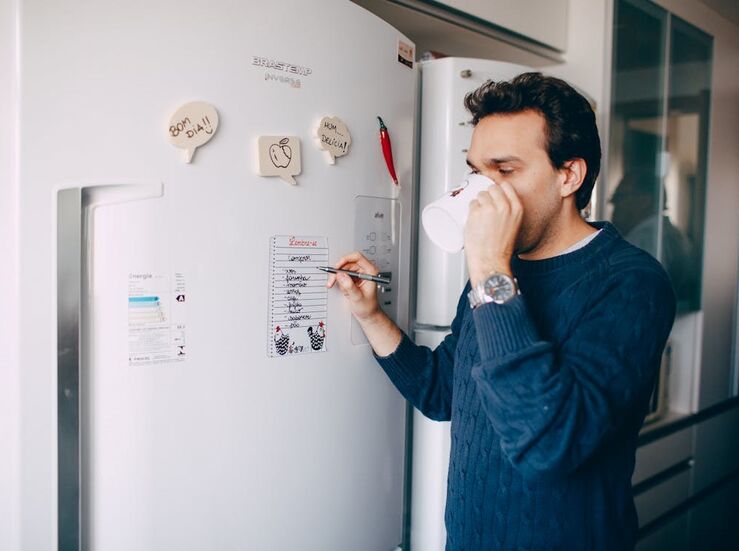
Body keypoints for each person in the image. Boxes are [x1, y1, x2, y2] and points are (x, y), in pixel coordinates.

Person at [327, 73, 676, 550]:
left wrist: (490, 268)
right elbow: (443, 391)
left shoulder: (630, 283)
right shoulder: (499, 273)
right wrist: (371, 316)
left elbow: (549, 446)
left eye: (504, 171)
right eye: (476, 172)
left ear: (568, 175)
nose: (482, 192)